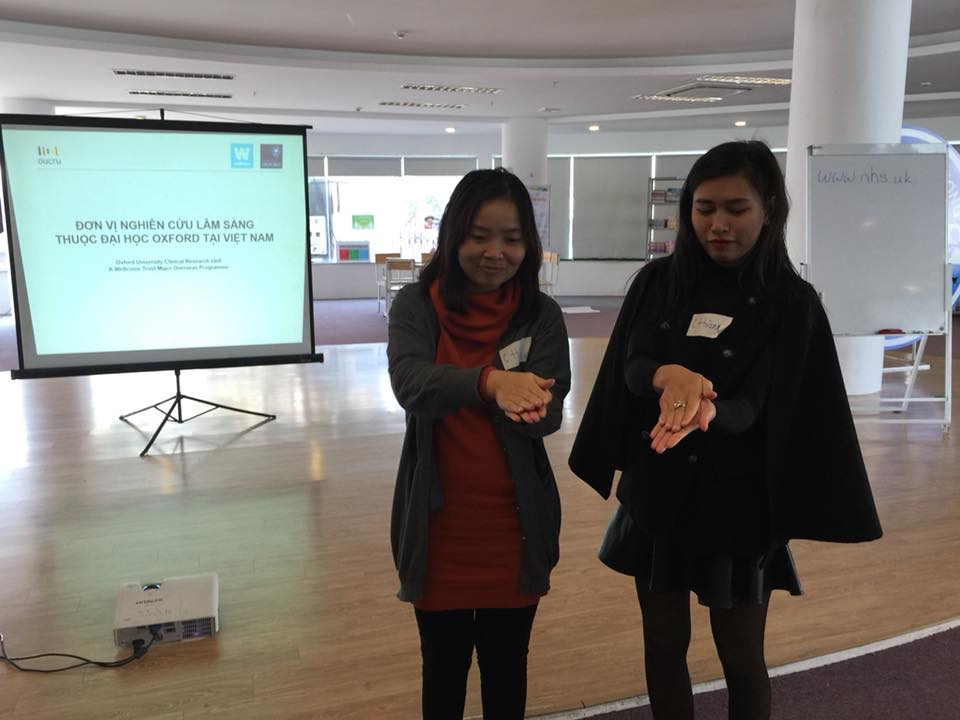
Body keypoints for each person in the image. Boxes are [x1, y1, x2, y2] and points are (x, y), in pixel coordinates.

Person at [568, 141, 882, 720]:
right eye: (704, 207)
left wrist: (708, 412)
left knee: (741, 657)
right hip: (658, 496)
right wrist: (669, 375)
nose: (718, 224)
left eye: (736, 209)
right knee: (663, 647)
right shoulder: (658, 283)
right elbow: (632, 368)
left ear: (768, 209)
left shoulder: (791, 303)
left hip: (739, 507)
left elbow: (760, 405)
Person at [388, 168, 571, 720]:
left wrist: (532, 406)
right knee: (442, 671)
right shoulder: (416, 305)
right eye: (479, 236)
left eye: (512, 239)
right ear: (453, 236)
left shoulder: (541, 315)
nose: (496, 253)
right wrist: (492, 384)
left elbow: (549, 413)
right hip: (438, 532)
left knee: (507, 669)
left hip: (514, 531)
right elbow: (411, 384)